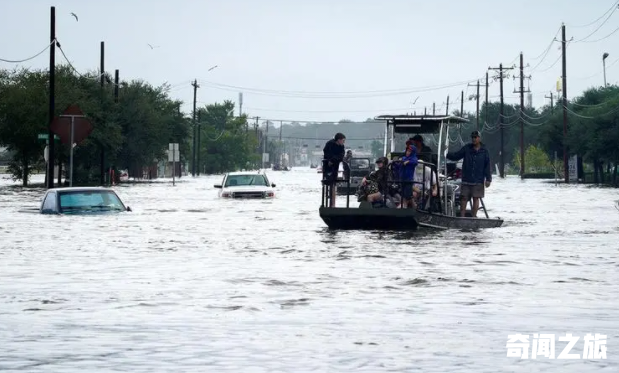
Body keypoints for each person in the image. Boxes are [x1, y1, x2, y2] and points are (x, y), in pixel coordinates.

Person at [446, 130, 492, 217]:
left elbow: (487, 166)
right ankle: (462, 217)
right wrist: (446, 153)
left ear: (479, 138)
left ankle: (474, 217)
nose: (474, 139)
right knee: (463, 198)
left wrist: (488, 179)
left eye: (475, 137)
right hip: (466, 179)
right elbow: (456, 156)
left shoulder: (484, 151)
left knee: (476, 198)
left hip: (478, 180)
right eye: (472, 137)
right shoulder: (467, 148)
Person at [323, 133, 346, 206]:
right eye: (343, 140)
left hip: (335, 163)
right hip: (328, 164)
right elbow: (326, 152)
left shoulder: (341, 146)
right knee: (328, 178)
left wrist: (334, 159)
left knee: (334, 179)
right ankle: (329, 196)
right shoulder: (330, 144)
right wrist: (330, 160)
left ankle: (332, 199)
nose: (343, 142)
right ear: (338, 140)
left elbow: (341, 155)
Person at [399, 144, 418, 208]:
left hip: (408, 180)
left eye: (409, 151)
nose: (407, 152)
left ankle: (412, 207)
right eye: (407, 151)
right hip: (402, 179)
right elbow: (401, 162)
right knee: (404, 195)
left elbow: (415, 162)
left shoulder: (414, 158)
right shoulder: (404, 158)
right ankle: (405, 207)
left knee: (408, 196)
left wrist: (408, 162)